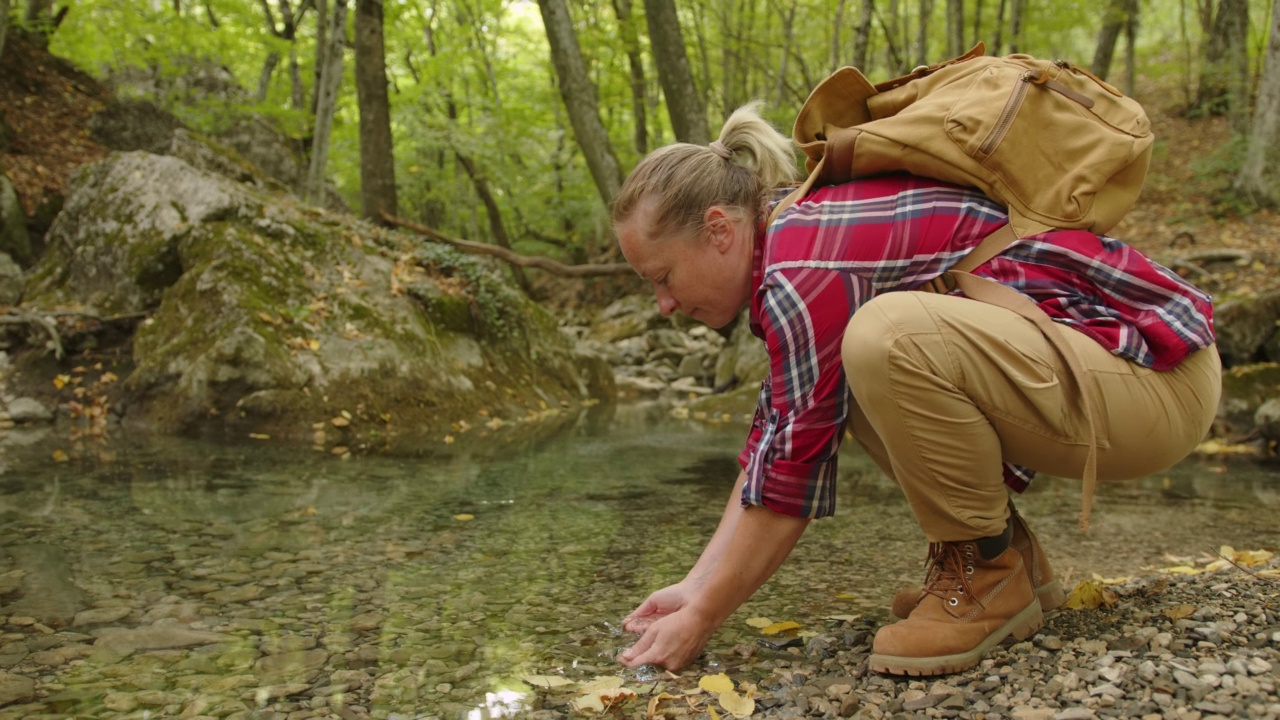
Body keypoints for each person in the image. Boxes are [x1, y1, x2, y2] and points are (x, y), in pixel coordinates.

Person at [611, 101, 1221, 677]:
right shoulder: (792, 236)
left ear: (719, 229)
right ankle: (1009, 563)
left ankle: (985, 579)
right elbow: (776, 440)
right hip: (1126, 374)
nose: (663, 305)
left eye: (662, 278)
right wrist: (694, 586)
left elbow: (788, 486)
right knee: (855, 367)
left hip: (1158, 380)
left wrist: (706, 617)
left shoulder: (801, 268)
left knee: (884, 336)